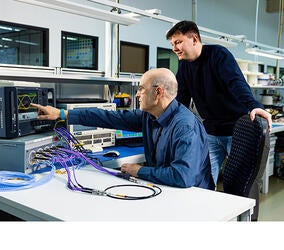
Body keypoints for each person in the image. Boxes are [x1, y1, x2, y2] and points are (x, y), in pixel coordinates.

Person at [31, 68, 215, 190]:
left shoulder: (185, 126)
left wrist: (138, 170)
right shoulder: (150, 116)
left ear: (158, 92)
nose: (137, 94)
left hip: (192, 199)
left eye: (142, 89)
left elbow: (182, 177)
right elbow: (109, 117)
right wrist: (62, 114)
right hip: (167, 189)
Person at [166, 20, 272, 185]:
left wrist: (254, 106)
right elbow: (181, 98)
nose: (174, 48)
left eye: (178, 42)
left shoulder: (218, 55)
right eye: (172, 44)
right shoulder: (184, 65)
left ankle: (243, 211)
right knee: (203, 182)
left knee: (240, 185)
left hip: (236, 132)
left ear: (194, 39)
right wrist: (168, 121)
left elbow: (236, 83)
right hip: (210, 133)